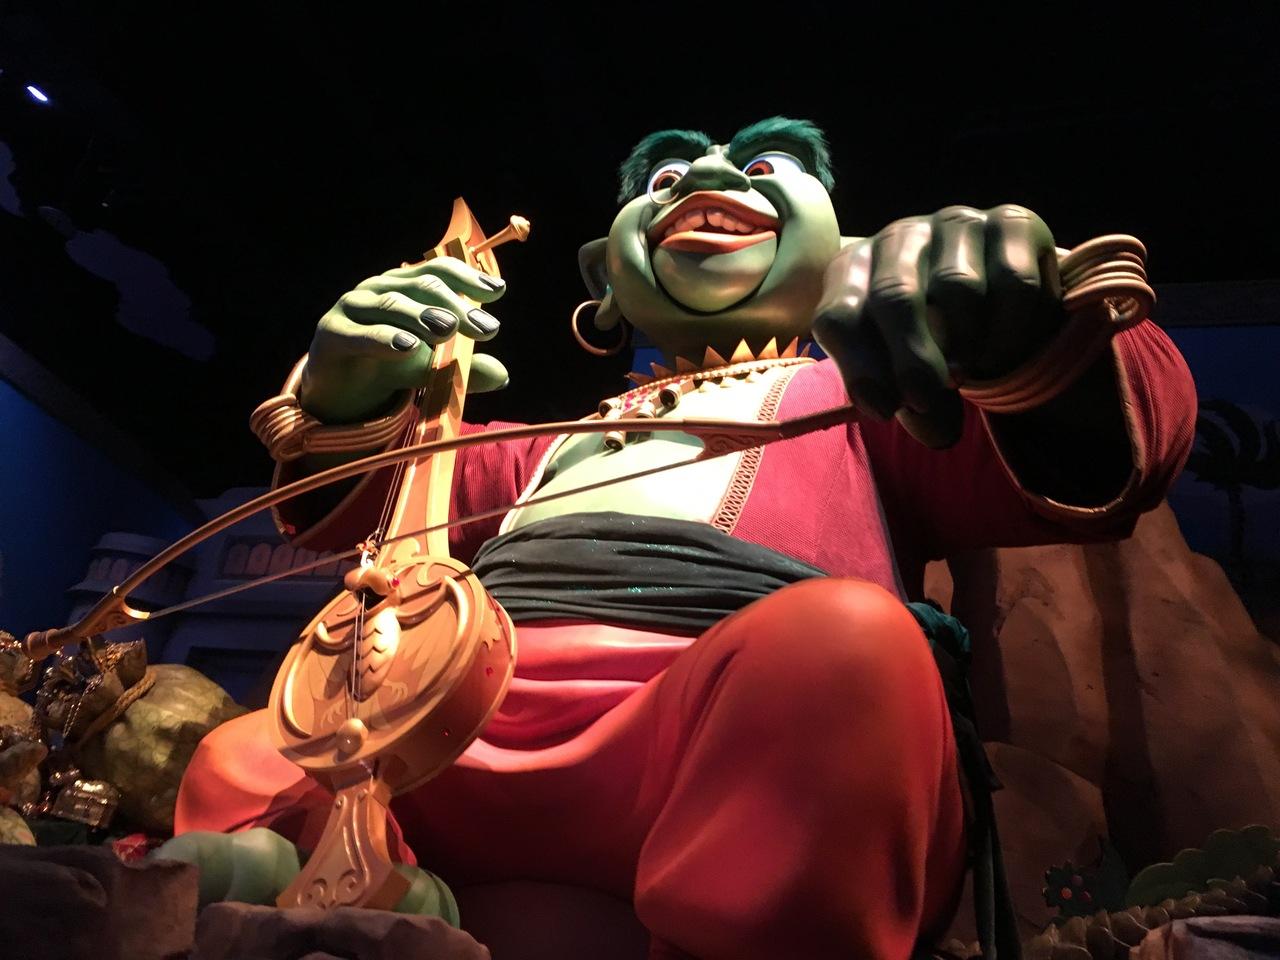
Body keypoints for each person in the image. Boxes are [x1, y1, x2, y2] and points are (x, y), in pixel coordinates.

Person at [176, 118, 1196, 960]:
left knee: (845, 647)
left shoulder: (865, 401)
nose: (706, 179)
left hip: (718, 741)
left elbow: (1096, 458)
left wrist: (1020, 333)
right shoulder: (531, 445)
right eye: (662, 179)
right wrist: (340, 397)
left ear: (846, 250)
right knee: (248, 753)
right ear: (601, 280)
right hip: (447, 733)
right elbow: (363, 512)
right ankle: (314, 892)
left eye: (766, 168)